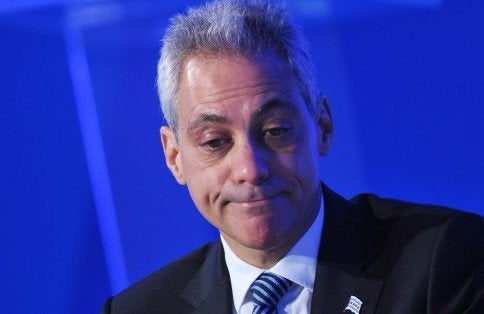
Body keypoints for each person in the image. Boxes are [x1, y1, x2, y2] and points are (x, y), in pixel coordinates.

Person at [102, 0, 484, 313]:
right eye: (216, 142)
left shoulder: (445, 262)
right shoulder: (137, 310)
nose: (250, 169)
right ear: (174, 157)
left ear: (321, 126)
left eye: (276, 131)